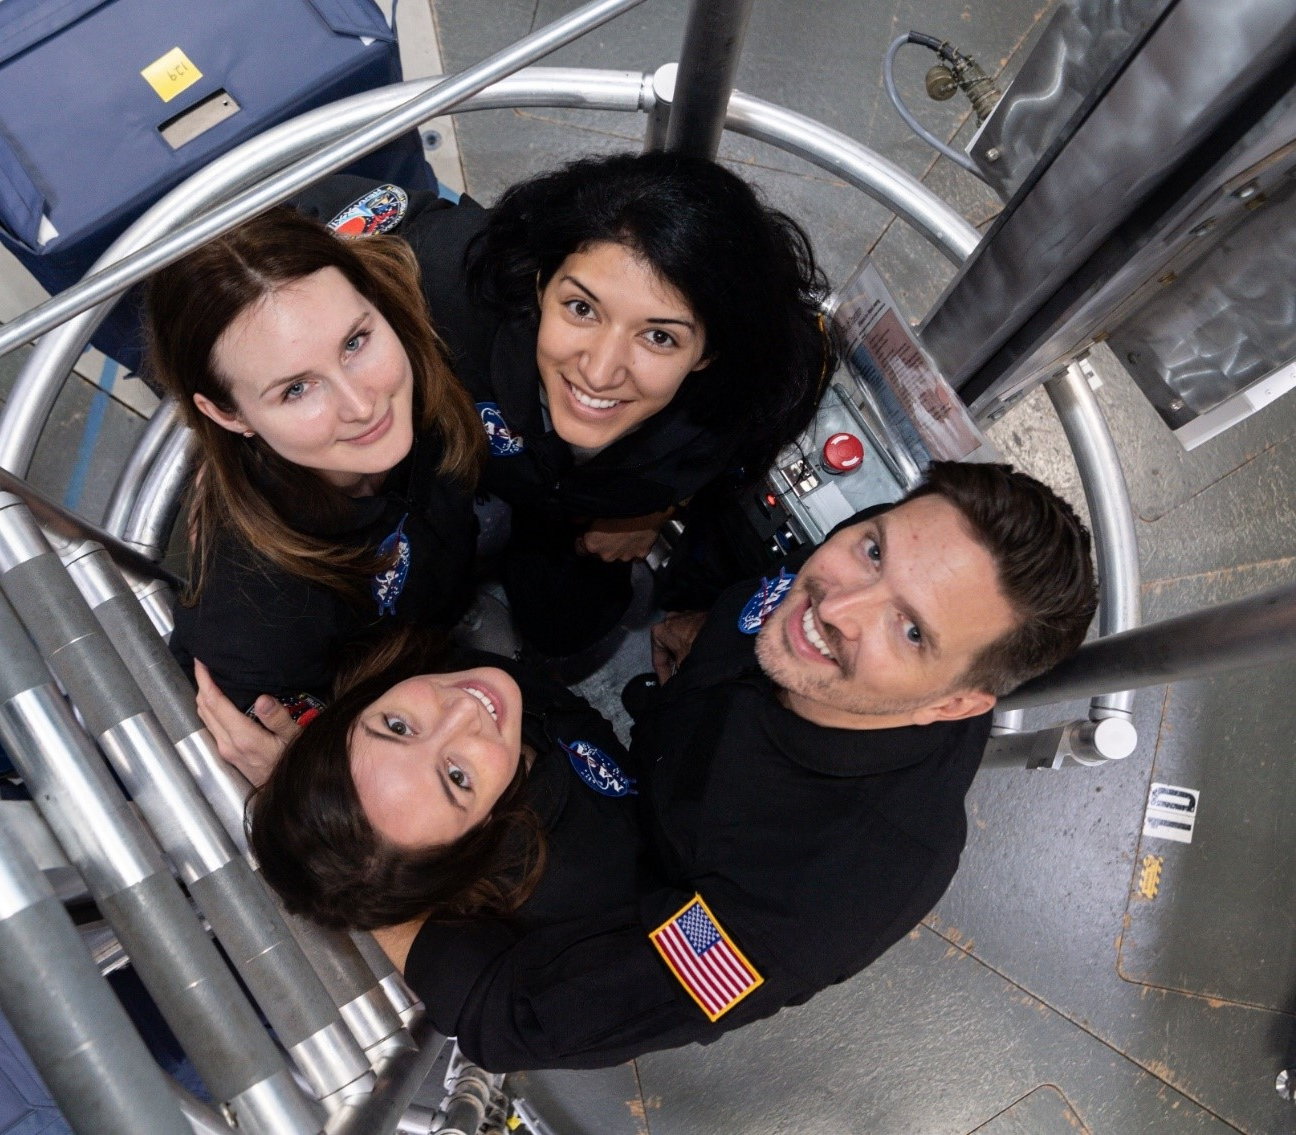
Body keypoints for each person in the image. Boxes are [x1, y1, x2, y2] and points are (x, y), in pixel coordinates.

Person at [205, 461, 1098, 1072]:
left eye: (911, 629)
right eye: (873, 549)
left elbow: (513, 1015)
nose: (833, 606)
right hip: (659, 738)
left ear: (953, 703)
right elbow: (769, 607)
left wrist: (340, 845)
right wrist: (701, 633)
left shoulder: (813, 896)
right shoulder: (808, 606)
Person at [291, 152, 834, 658]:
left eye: (660, 338)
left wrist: (660, 508)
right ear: (539, 282)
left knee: (567, 634)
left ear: (708, 353)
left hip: (589, 512)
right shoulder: (454, 282)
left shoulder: (748, 392)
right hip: (451, 471)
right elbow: (288, 229)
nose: (599, 371)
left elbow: (747, 449)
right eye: (580, 308)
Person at [149, 207, 486, 716]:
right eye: (296, 389)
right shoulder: (257, 611)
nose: (362, 405)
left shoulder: (444, 297)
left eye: (354, 342)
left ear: (373, 296)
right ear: (227, 413)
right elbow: (233, 719)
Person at [227, 631, 656, 939]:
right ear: (482, 832)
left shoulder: (402, 661)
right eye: (457, 778)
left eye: (397, 726)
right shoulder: (597, 868)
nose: (462, 710)